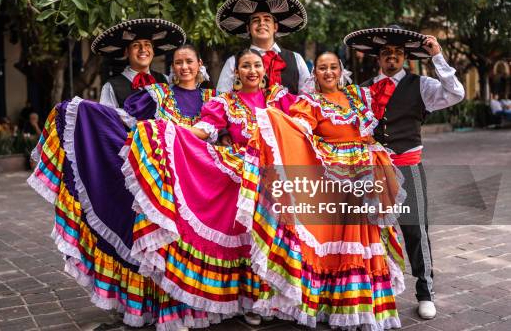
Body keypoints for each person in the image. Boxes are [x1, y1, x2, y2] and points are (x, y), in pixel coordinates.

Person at [28, 38, 220, 330]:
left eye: (188, 62)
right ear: (127, 52)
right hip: (136, 169)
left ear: (198, 66)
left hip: (179, 176)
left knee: (175, 241)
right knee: (140, 238)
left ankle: (184, 301)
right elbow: (117, 122)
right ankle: (140, 304)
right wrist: (83, 113)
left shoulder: (181, 90)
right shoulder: (134, 89)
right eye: (135, 46)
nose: (183, 66)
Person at [123, 49, 297, 326]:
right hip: (239, 176)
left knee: (269, 239)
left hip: (272, 176)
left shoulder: (279, 98)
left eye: (256, 65)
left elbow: (303, 124)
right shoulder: (225, 102)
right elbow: (204, 130)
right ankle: (242, 301)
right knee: (242, 238)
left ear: (264, 70)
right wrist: (170, 133)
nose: (251, 71)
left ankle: (270, 303)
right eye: (245, 66)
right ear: (236, 72)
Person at [242, 51, 406, 329]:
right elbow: (300, 128)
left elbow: (385, 99)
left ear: (341, 71)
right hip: (335, 175)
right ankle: (332, 304)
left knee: (364, 238)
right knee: (337, 241)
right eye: (322, 68)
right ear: (314, 74)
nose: (328, 72)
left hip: (365, 172)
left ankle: (359, 306)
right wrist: (275, 120)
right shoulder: (311, 102)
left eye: (333, 67)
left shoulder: (358, 96)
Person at [344, 25, 465, 320]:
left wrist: (437, 56)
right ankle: (375, 290)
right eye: (386, 52)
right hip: (371, 169)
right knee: (372, 231)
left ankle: (425, 293)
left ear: (406, 58)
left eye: (398, 53)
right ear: (378, 58)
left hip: (407, 165)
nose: (392, 57)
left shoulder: (421, 85)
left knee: (414, 229)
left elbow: (456, 93)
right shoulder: (363, 89)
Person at [216, 0, 310, 94]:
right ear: (248, 28)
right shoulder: (233, 61)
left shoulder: (296, 59)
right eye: (256, 20)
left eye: (267, 19)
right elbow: (222, 97)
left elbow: (308, 98)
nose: (261, 23)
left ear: (275, 27)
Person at [95, 18, 184, 108]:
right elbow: (105, 120)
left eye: (147, 44)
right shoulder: (111, 87)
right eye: (136, 45)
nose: (143, 49)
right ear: (126, 52)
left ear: (153, 51)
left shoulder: (166, 80)